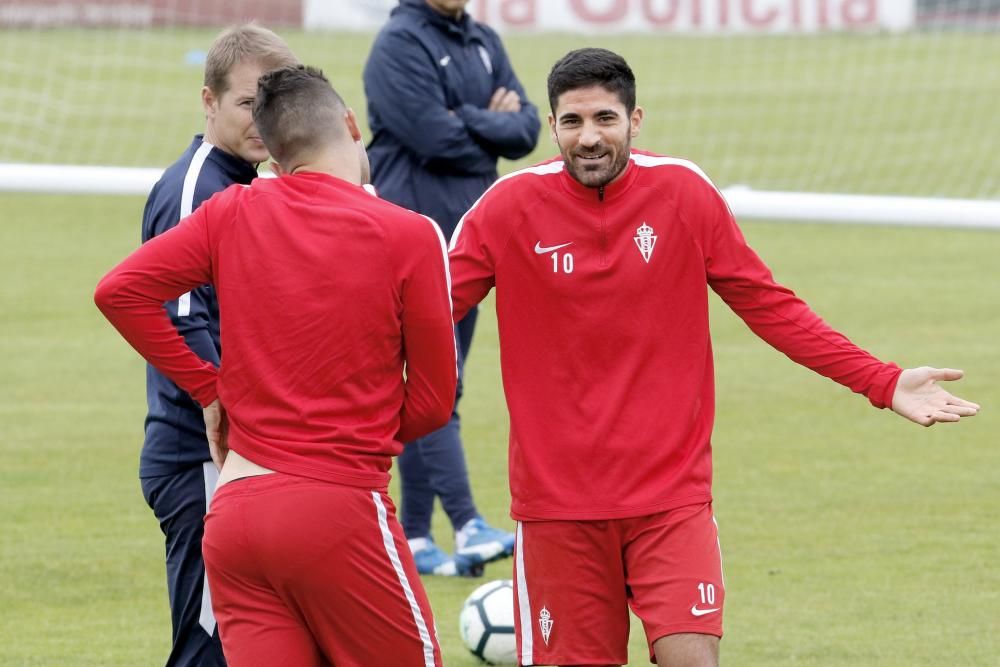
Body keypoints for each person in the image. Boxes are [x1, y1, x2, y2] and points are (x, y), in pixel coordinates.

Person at [447, 48, 981, 667]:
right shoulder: (508, 207)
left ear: (635, 120)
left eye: (604, 119)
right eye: (573, 122)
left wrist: (883, 382)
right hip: (556, 511)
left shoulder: (683, 193)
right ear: (553, 125)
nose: (589, 138)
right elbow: (426, 313)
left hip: (671, 501)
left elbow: (770, 306)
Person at [96, 64, 455, 666]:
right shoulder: (410, 234)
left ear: (273, 153)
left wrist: (210, 392)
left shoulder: (230, 210)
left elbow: (120, 292)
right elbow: (433, 401)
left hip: (236, 514)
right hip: (338, 510)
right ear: (350, 123)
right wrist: (350, 434)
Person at [134, 23, 298, 667]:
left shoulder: (256, 182)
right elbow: (177, 317)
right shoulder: (197, 187)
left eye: (272, 104)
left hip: (243, 451)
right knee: (209, 648)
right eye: (246, 103)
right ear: (208, 101)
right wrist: (223, 409)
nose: (262, 119)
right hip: (201, 455)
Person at [363, 0, 541, 577]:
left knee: (439, 386)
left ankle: (414, 536)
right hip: (411, 240)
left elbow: (529, 130)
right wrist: (486, 123)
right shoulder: (398, 44)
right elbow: (433, 137)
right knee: (432, 382)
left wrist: (466, 120)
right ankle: (467, 523)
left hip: (471, 243)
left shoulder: (483, 38)